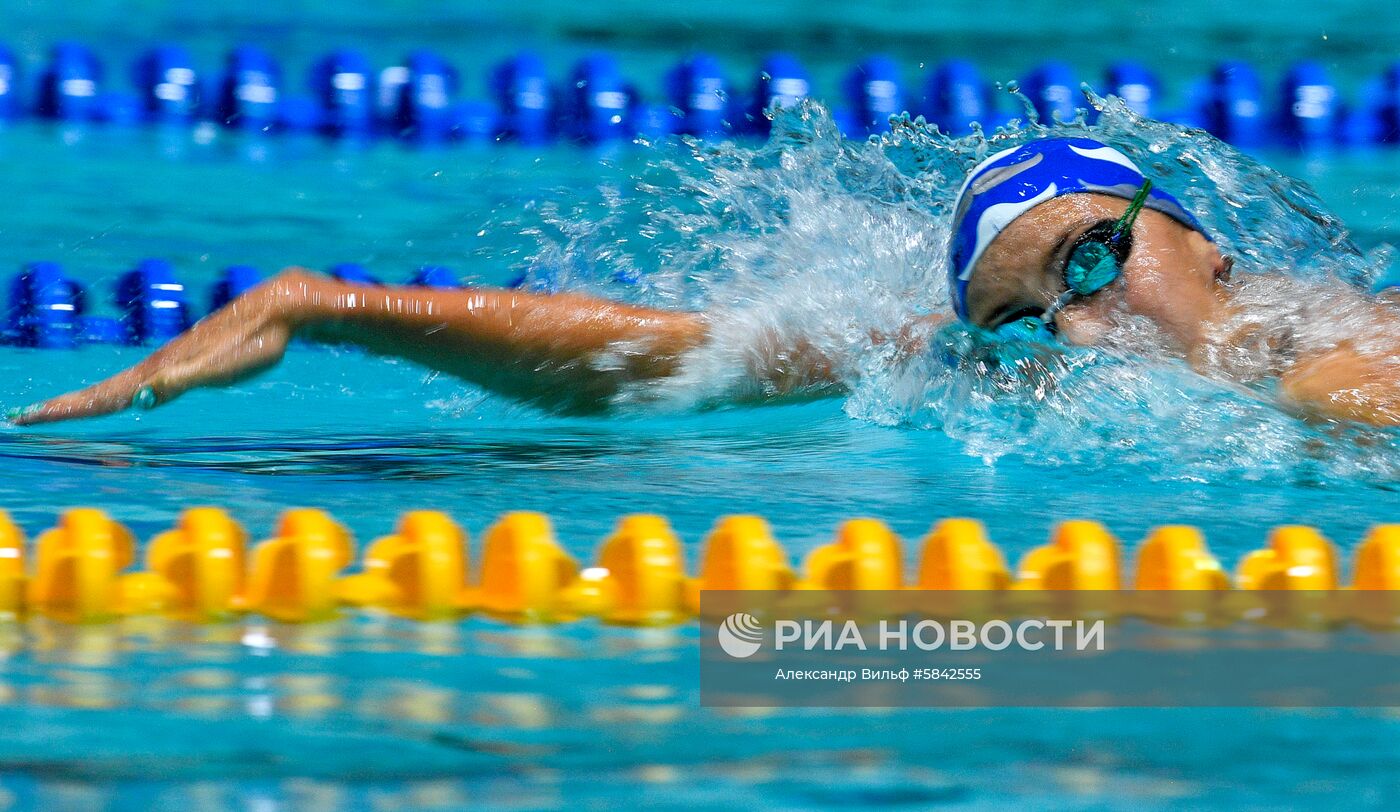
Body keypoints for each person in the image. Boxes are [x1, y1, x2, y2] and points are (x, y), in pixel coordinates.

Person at [10, 137, 1400, 427]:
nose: (1081, 329)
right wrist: (324, 307)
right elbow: (675, 353)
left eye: (1093, 260)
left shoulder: (1330, 368)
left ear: (1204, 238)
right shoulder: (1019, 371)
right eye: (1023, 318)